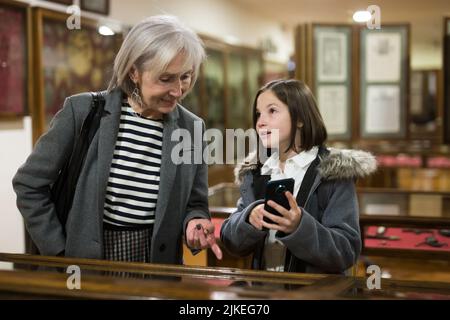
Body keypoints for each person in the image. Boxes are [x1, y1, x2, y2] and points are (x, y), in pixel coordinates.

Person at [12, 15, 222, 264]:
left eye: (185, 76)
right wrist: (59, 251)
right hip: (86, 265)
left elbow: (195, 203)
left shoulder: (192, 129)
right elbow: (29, 185)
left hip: (157, 265)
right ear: (134, 71)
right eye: (166, 79)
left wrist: (195, 224)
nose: (178, 90)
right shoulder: (81, 112)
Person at [220, 79, 376, 274]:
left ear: (300, 118)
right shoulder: (256, 172)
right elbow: (231, 242)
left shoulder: (334, 173)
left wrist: (299, 226)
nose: (260, 122)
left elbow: (345, 251)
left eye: (272, 111)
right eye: (258, 113)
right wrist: (248, 219)